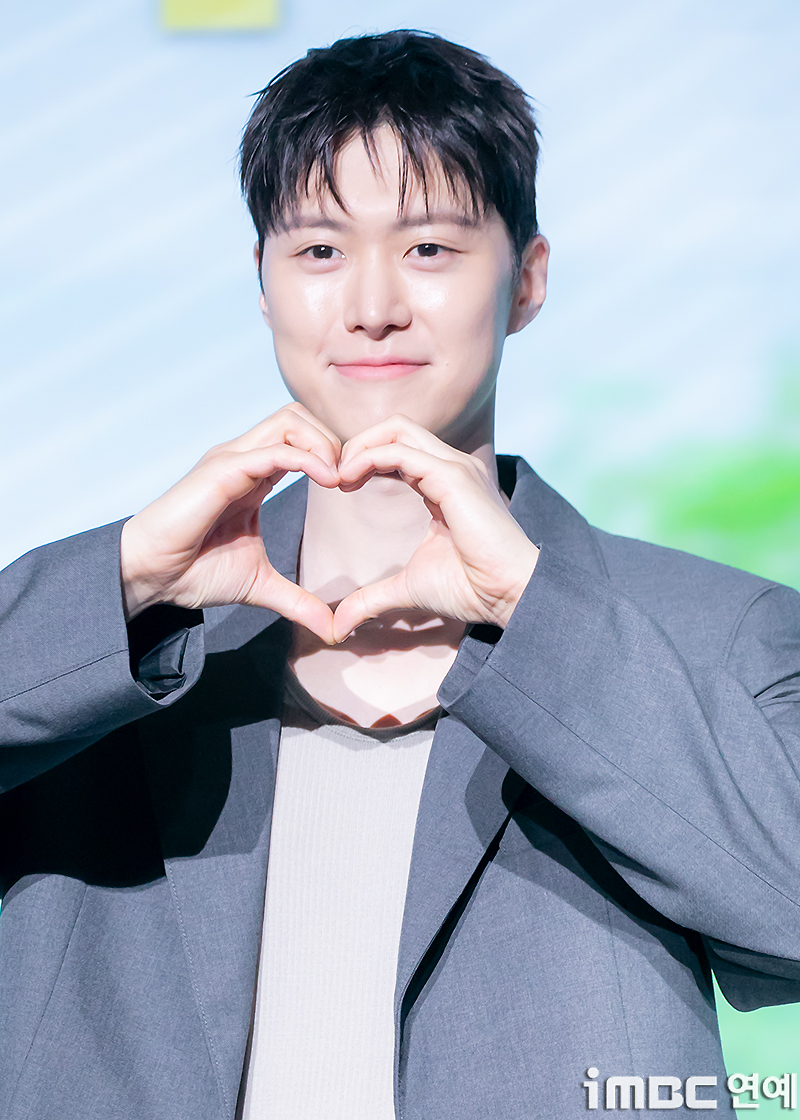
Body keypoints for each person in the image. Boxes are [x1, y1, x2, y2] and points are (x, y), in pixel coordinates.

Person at [1, 29, 799, 1120]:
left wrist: (532, 618)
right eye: (319, 252)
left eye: (428, 248)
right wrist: (130, 581)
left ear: (527, 280)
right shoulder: (95, 653)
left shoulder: (720, 634)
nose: (371, 304)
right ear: (262, 283)